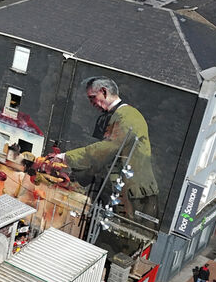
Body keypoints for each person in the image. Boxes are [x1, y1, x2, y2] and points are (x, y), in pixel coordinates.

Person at [50, 77, 158, 220]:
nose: (92, 103)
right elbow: (103, 159)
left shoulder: (128, 116)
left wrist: (65, 157)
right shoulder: (117, 116)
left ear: (104, 91)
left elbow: (105, 150)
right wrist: (74, 177)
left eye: (92, 98)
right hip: (127, 193)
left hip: (136, 196)